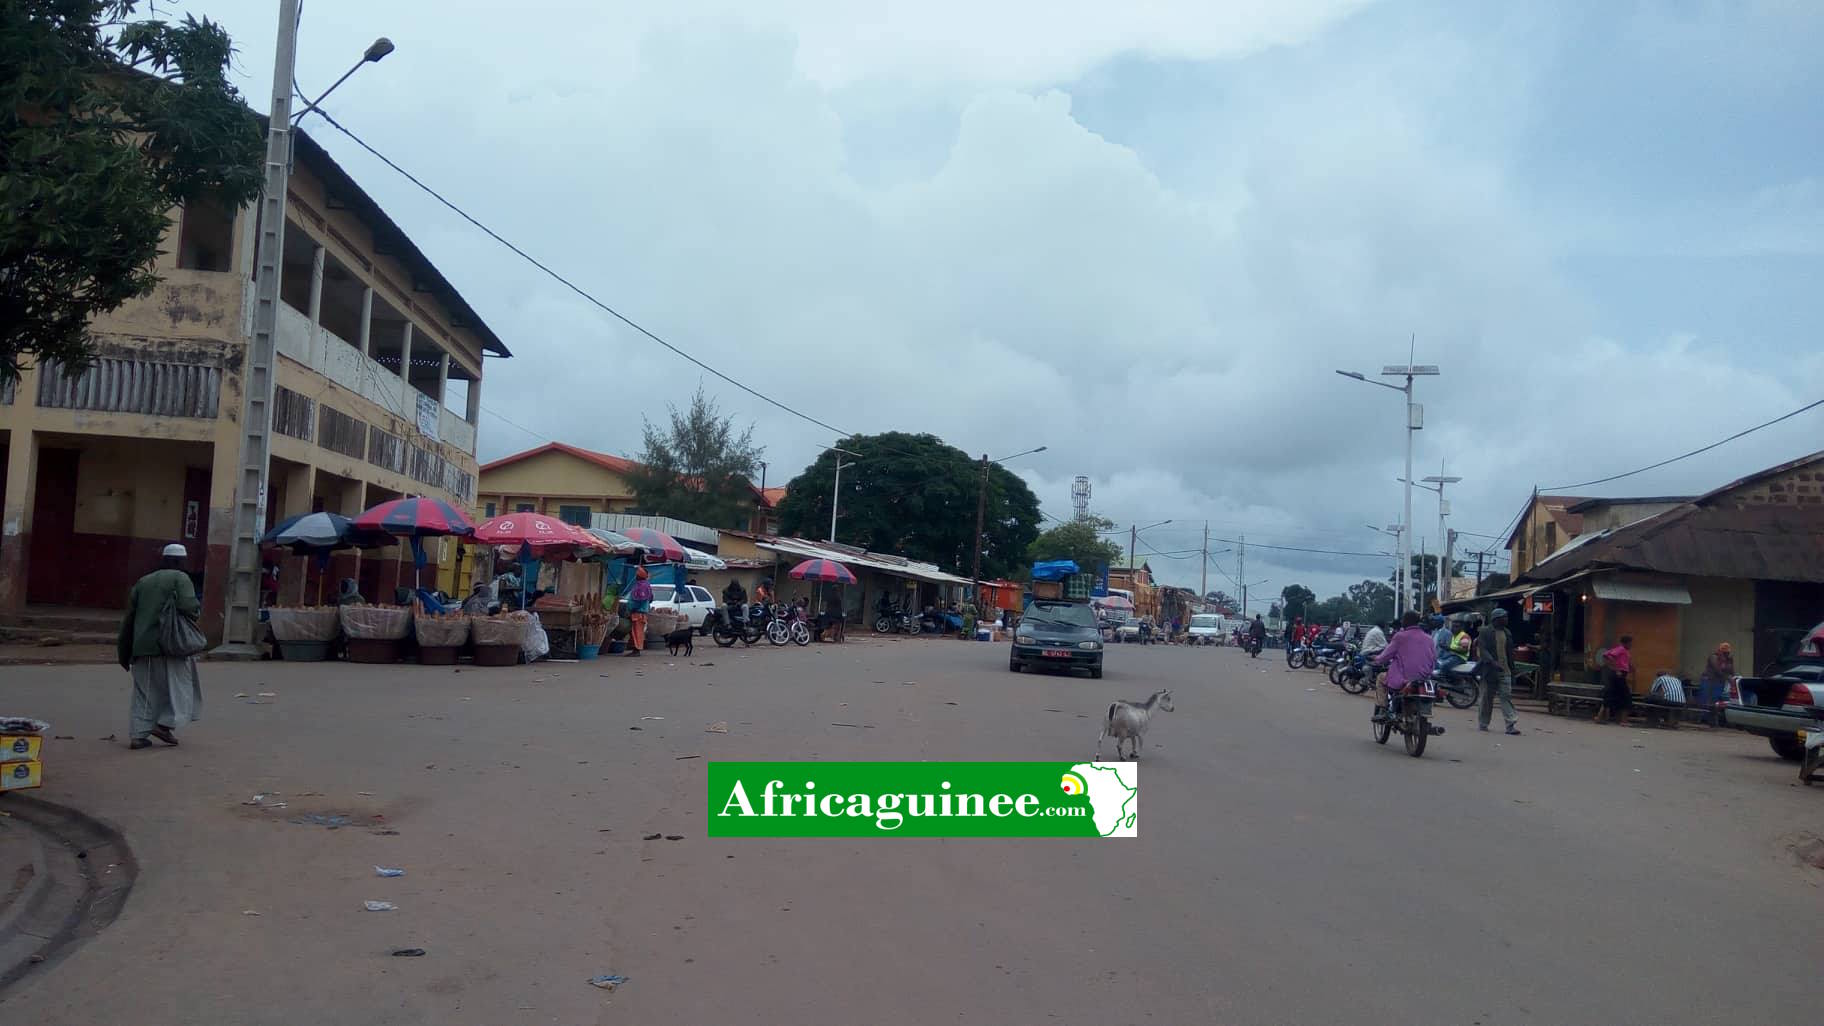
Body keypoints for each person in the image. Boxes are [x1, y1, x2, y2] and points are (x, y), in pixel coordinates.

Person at [116, 544, 204, 750]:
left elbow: (129, 619)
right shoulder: (180, 579)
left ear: (163, 559)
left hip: (142, 647)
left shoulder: (143, 581)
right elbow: (189, 607)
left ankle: (138, 735)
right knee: (181, 688)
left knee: (143, 692)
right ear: (182, 561)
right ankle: (164, 724)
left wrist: (124, 652)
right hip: (171, 645)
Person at [1372, 610, 1437, 723]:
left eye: (1403, 619)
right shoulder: (1429, 638)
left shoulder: (1400, 636)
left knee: (1381, 678)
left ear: (1407, 621)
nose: (1401, 621)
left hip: (1404, 678)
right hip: (1424, 678)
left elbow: (1386, 655)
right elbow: (1433, 659)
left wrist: (1376, 659)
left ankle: (1383, 710)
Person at [1476, 608, 1521, 735]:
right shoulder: (1485, 631)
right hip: (1490, 671)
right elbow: (1483, 650)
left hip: (1505, 671)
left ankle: (1510, 724)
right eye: (1504, 617)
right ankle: (1483, 722)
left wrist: (1513, 670)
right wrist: (1492, 662)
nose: (1506, 619)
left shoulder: (1507, 632)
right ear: (1496, 619)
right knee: (1486, 698)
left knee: (1506, 697)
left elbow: (1510, 653)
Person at [1595, 635, 1635, 724]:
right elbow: (1607, 655)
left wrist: (1630, 667)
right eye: (1630, 643)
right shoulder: (1621, 649)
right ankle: (1624, 720)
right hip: (1618, 675)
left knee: (1610, 695)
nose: (1631, 645)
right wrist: (1616, 669)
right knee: (1626, 697)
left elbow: (1624, 662)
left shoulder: (1624, 651)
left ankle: (1600, 716)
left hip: (1620, 674)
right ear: (1626, 643)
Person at [1697, 642, 1734, 726]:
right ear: (1721, 650)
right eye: (1725, 652)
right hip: (1708, 681)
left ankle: (1712, 720)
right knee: (1706, 700)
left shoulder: (1729, 659)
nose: (1727, 653)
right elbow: (1717, 669)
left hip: (1719, 682)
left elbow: (1732, 670)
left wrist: (1734, 678)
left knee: (1715, 701)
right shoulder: (1714, 657)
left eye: (1728, 652)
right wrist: (1727, 677)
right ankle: (1702, 719)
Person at [626, 566, 653, 656]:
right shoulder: (645, 585)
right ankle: (636, 648)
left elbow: (640, 599)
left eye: (637, 575)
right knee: (637, 631)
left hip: (638, 612)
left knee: (637, 632)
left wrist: (633, 608)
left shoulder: (641, 586)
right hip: (640, 611)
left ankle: (636, 650)